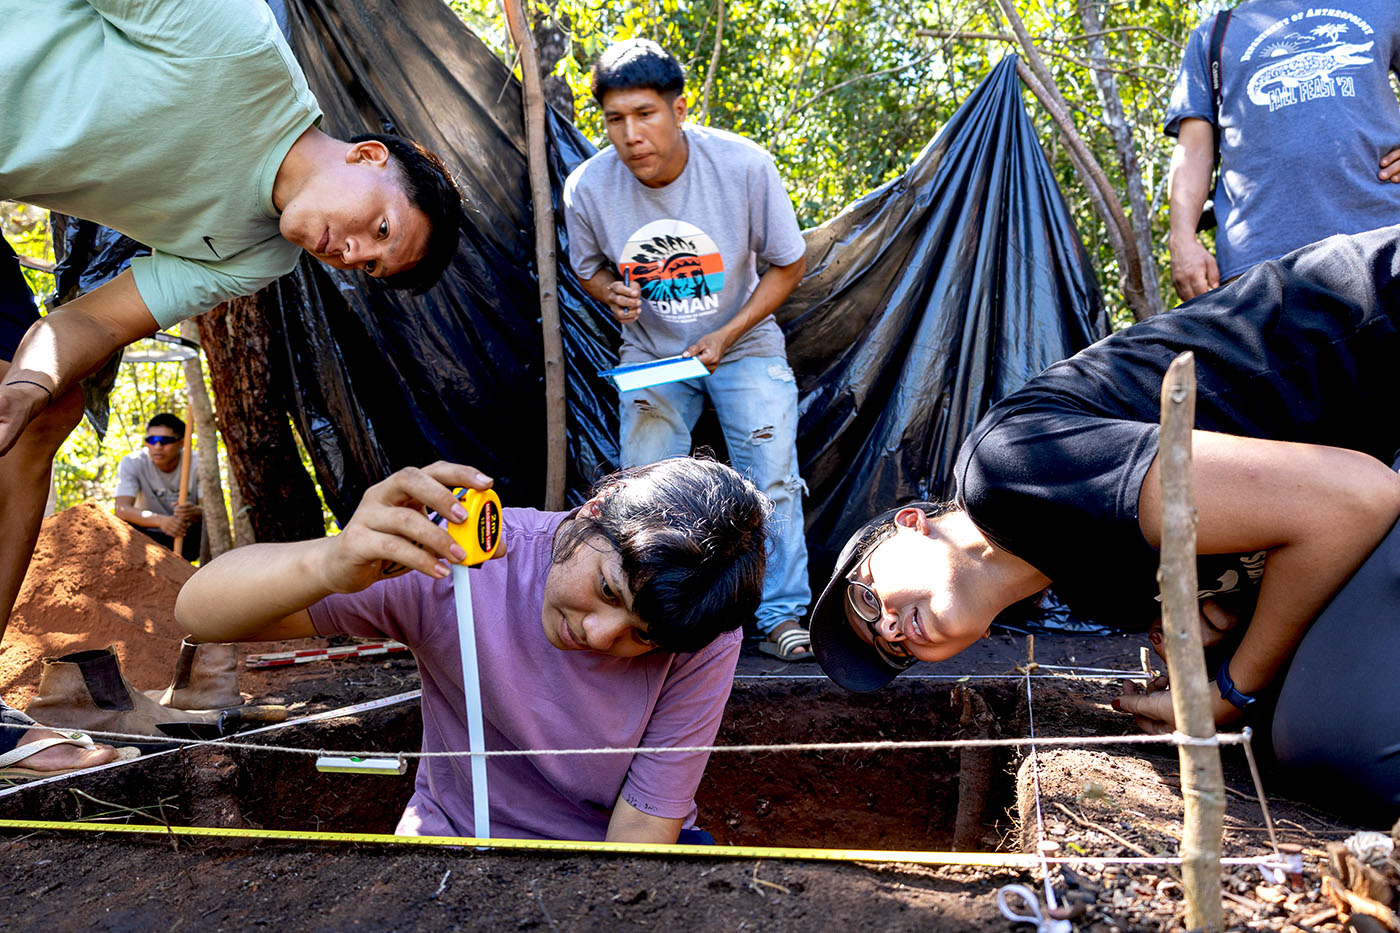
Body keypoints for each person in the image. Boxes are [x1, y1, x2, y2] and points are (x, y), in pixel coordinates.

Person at [0, 0, 464, 774]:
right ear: (368, 156)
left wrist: (27, 378)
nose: (350, 253)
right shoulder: (238, 40)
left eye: (368, 266)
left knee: (47, 409)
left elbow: (96, 323)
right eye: (379, 230)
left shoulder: (260, 256)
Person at [809, 224, 1400, 816]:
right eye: (896, 655)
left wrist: (1229, 693)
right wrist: (1229, 626)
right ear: (978, 638)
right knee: (1297, 727)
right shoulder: (1103, 594)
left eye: (866, 599)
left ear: (910, 523)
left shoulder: (1007, 469)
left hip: (1384, 316)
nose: (890, 632)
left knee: (1341, 746)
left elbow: (1355, 501)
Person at [176, 457, 770, 842]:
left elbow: (645, 822)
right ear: (591, 514)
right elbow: (199, 611)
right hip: (457, 841)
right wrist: (329, 563)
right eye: (606, 589)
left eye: (644, 638)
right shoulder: (461, 561)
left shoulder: (703, 632)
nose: (598, 635)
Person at [563, 39, 813, 662]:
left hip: (744, 343)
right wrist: (609, 294)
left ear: (679, 109)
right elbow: (588, 269)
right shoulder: (587, 187)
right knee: (643, 489)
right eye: (615, 120)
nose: (630, 135)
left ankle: (782, 615)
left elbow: (789, 264)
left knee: (771, 477)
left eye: (645, 114)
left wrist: (727, 334)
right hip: (651, 353)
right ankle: (652, 616)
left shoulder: (743, 166)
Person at [1164, 2, 1400, 301]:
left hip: (1384, 234)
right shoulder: (1210, 36)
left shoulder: (1382, 5)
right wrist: (1181, 240)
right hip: (1260, 260)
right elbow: (1193, 152)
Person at [113, 413, 203, 561]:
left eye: (165, 441)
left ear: (181, 443)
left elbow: (209, 512)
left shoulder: (196, 463)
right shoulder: (133, 462)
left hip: (185, 534)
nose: (157, 446)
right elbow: (121, 509)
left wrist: (194, 511)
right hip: (145, 534)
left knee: (207, 527)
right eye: (151, 440)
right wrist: (161, 521)